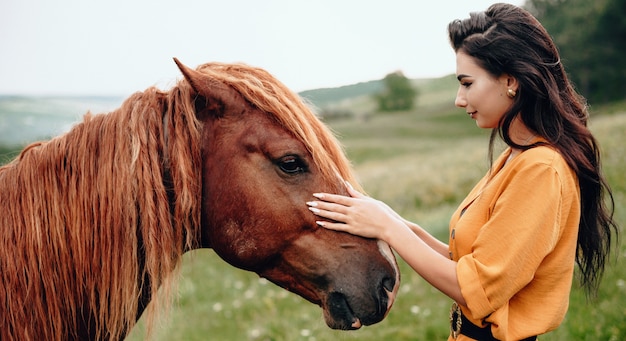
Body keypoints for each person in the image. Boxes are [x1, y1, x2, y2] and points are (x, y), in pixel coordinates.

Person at [306, 3, 618, 341]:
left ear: (511, 81)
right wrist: (388, 221)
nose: (459, 99)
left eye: (467, 83)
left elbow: (475, 289)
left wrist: (389, 229)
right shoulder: (517, 157)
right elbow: (464, 261)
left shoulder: (541, 169)